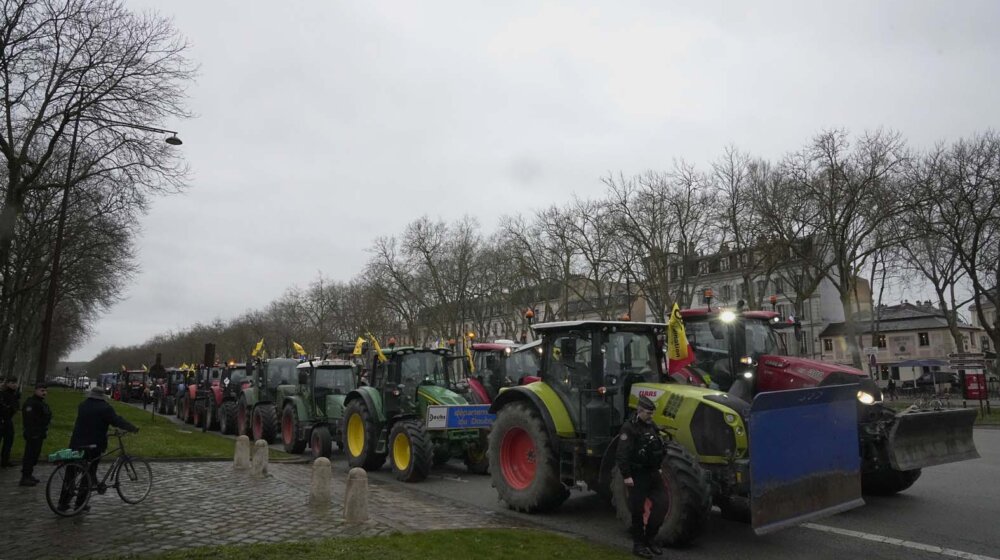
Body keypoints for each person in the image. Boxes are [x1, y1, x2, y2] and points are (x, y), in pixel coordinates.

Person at [59, 387, 138, 512]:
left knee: (71, 472)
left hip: (76, 442)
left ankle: (62, 503)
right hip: (93, 445)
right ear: (102, 396)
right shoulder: (105, 408)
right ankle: (80, 504)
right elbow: (116, 420)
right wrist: (132, 428)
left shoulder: (83, 405)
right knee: (89, 473)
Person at [616, 395, 668, 559]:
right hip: (637, 475)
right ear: (639, 411)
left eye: (652, 413)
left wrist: (659, 467)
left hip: (652, 472)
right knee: (637, 511)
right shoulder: (629, 428)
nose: (651, 416)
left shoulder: (651, 425)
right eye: (648, 413)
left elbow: (657, 447)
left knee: (662, 504)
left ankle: (650, 538)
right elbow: (622, 453)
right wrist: (626, 476)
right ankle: (638, 545)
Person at [20, 382, 52, 486]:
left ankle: (29, 474)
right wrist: (35, 431)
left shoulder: (41, 403)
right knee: (30, 455)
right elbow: (30, 419)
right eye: (42, 390)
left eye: (45, 391)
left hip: (39, 433)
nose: (44, 393)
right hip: (33, 433)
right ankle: (25, 477)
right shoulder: (31, 403)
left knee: (34, 455)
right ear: (36, 390)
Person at [1, 377, 21, 468]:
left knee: (9, 441)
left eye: (15, 383)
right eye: (12, 382)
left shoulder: (15, 394)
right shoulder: (3, 394)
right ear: (7, 383)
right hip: (1, 420)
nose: (14, 385)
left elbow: (16, 406)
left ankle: (5, 461)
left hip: (8, 420)